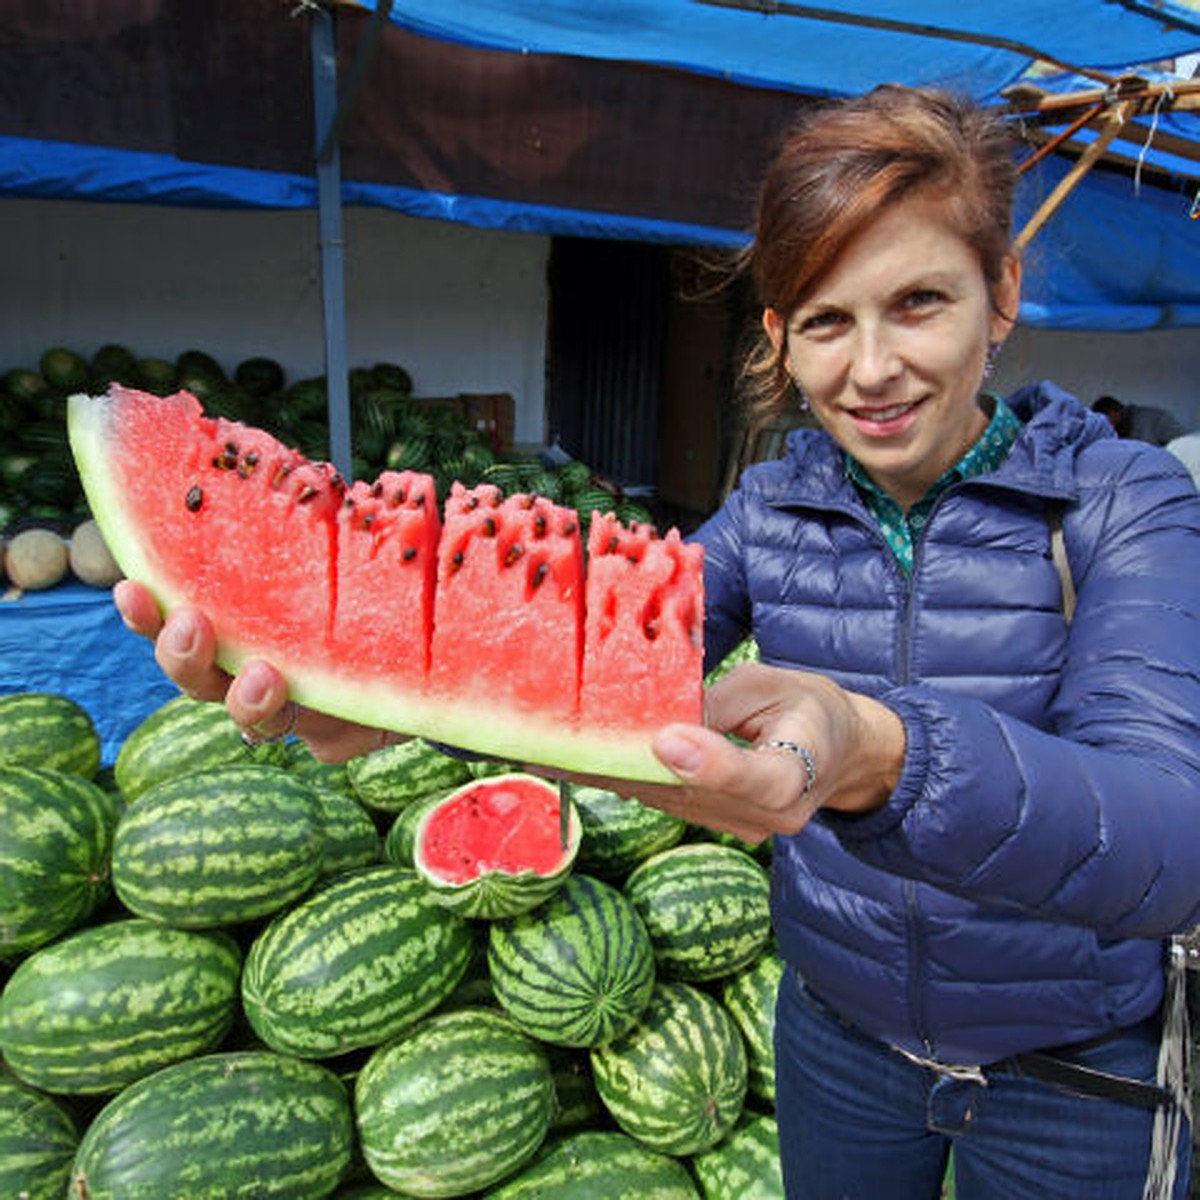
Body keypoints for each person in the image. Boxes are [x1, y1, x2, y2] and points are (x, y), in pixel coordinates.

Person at [114, 85, 1200, 1199]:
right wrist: (380, 676)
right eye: (826, 320)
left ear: (1002, 293)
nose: (870, 369)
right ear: (777, 332)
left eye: (919, 303)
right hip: (839, 1042)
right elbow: (580, 658)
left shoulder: (1123, 503)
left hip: (1075, 1075)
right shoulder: (769, 512)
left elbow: (1172, 843)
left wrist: (882, 755)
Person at [1092, 394, 1187, 446]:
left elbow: (1183, 443)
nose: (1108, 426)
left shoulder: (1154, 419)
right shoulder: (1115, 432)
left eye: (1106, 421)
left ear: (1115, 413)